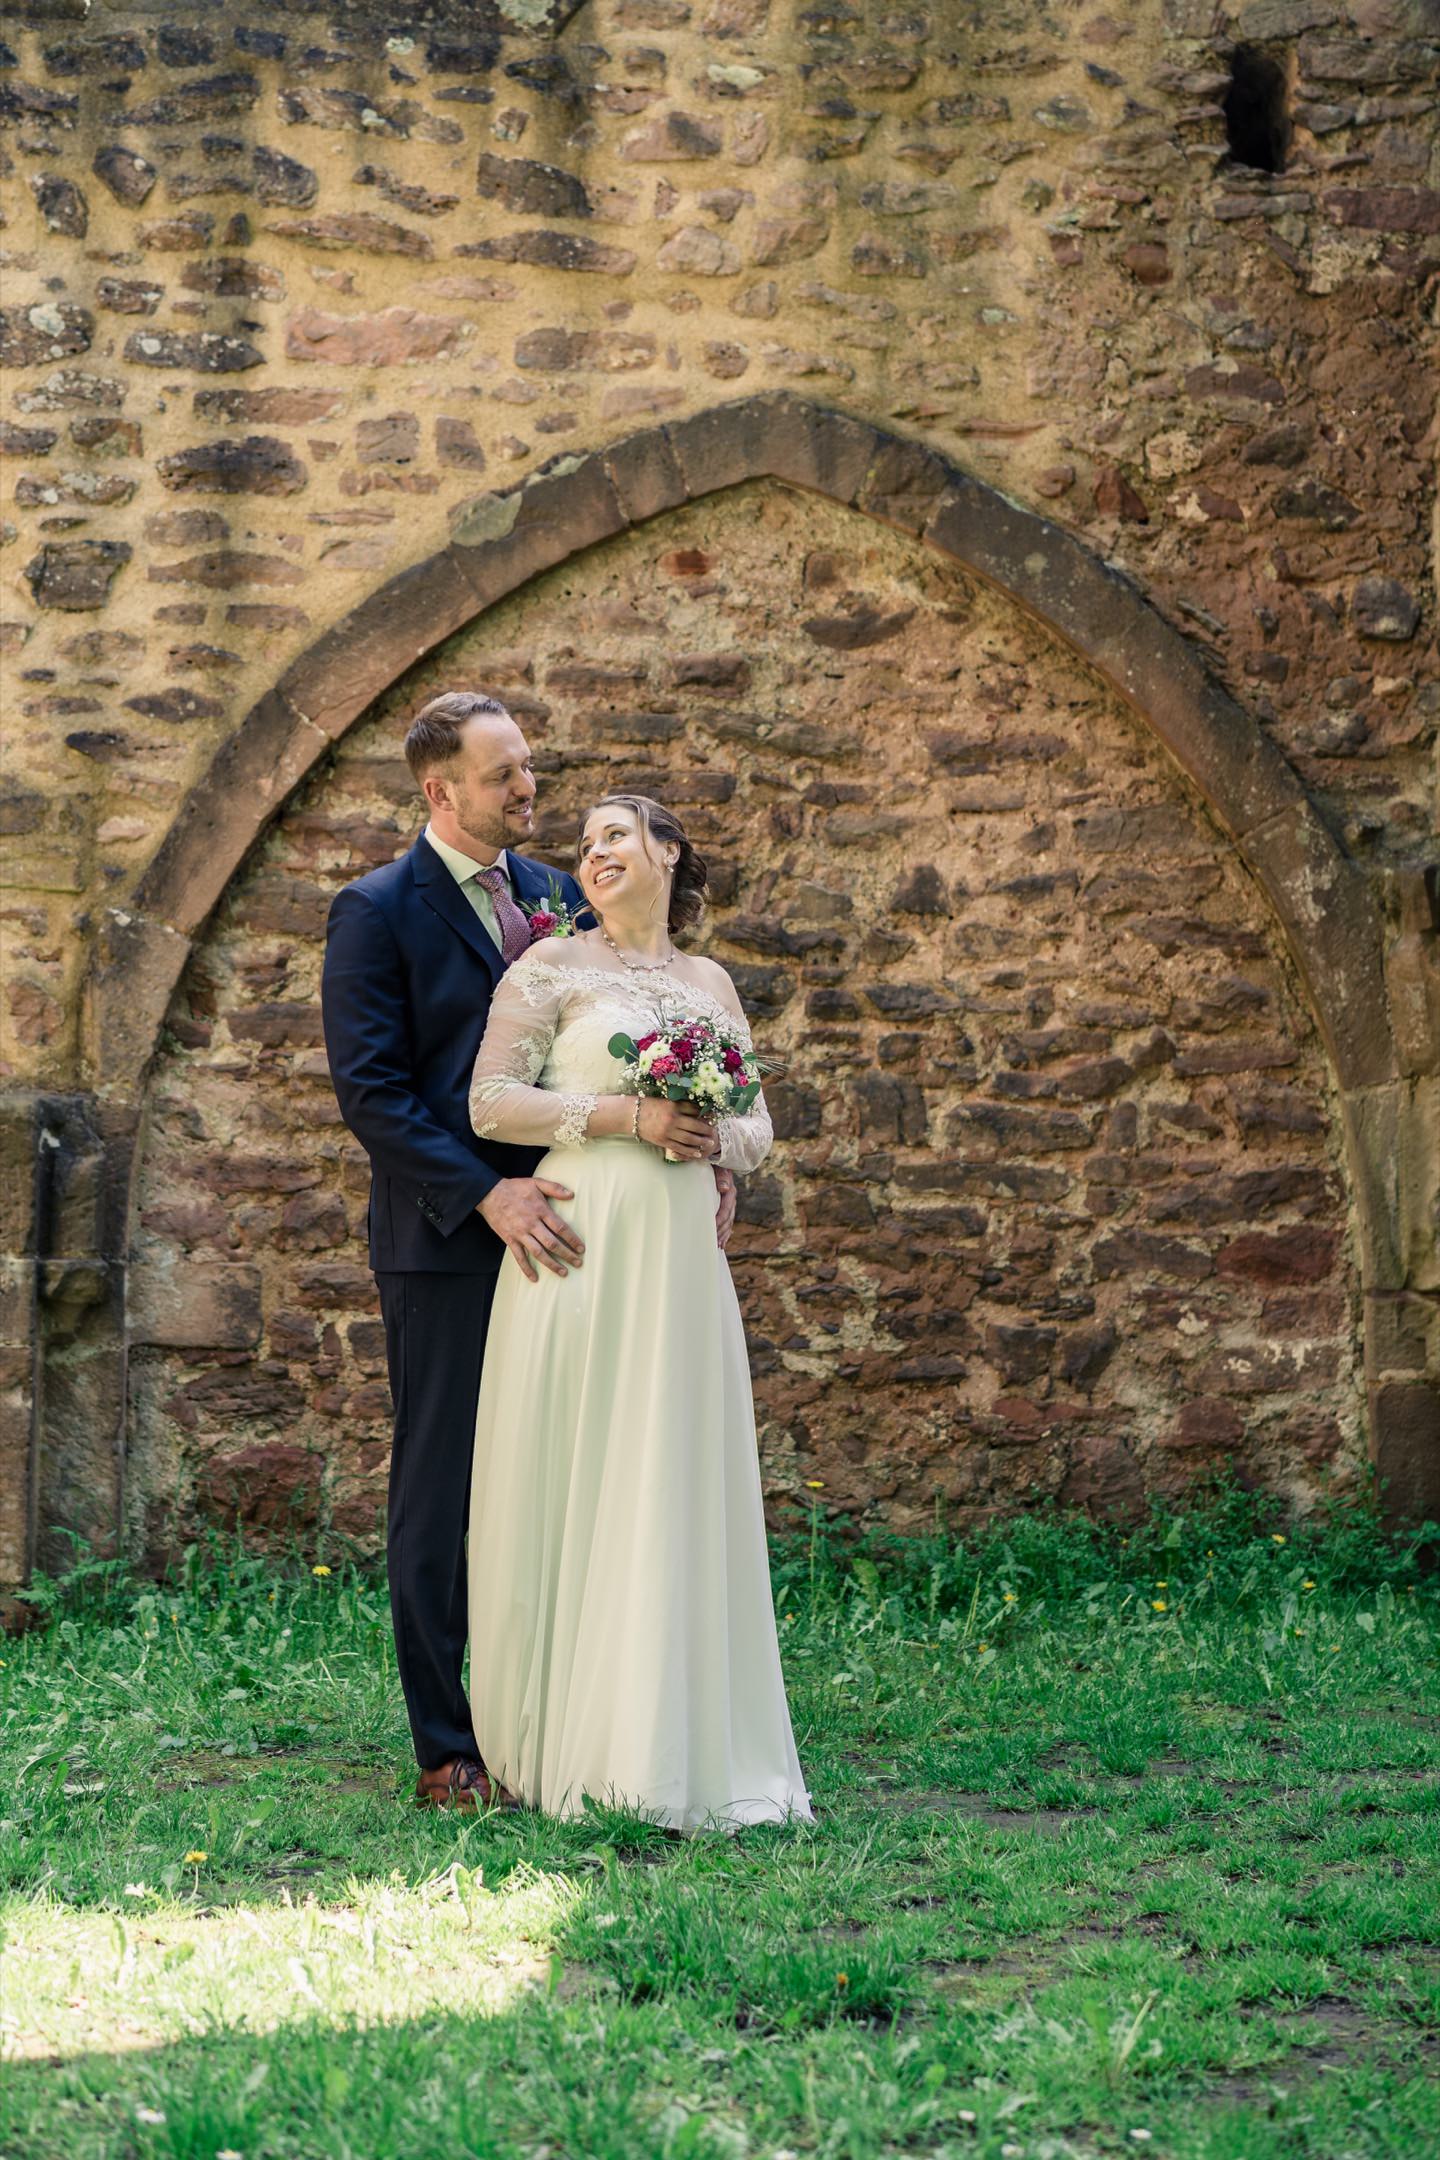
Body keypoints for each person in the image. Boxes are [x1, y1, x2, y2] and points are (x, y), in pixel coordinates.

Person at [321, 694, 738, 1811]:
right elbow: (376, 1095)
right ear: (439, 789)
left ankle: (556, 1715)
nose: (528, 791)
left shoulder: (558, 899)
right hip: (452, 1238)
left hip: (582, 1237)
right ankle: (449, 1745)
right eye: (504, 775)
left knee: (562, 1475)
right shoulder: (375, 911)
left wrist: (712, 1151)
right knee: (444, 1484)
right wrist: (487, 1197)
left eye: (529, 770)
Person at [466, 793, 813, 1831]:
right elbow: (490, 1102)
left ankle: (682, 1741)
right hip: (582, 1243)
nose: (594, 853)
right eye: (583, 846)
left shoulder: (710, 982)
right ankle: (574, 1740)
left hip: (678, 1253)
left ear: (669, 851)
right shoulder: (551, 969)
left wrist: (717, 1141)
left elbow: (755, 1122)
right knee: (585, 1468)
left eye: (615, 835)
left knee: (672, 1473)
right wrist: (627, 1114)